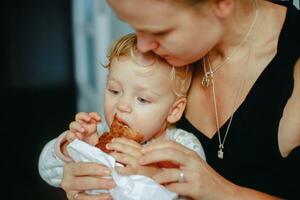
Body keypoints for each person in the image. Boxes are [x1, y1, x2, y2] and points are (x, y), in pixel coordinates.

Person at [55, 0, 300, 199]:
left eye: (159, 31)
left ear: (221, 3)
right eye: (135, 26)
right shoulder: (165, 52)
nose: (143, 46)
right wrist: (86, 181)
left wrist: (221, 191)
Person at [39, 33, 206, 199]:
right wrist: (74, 147)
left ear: (173, 110)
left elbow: (195, 195)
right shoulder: (101, 135)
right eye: (114, 91)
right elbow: (47, 171)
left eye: (142, 99)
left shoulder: (183, 147)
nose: (122, 105)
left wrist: (154, 174)